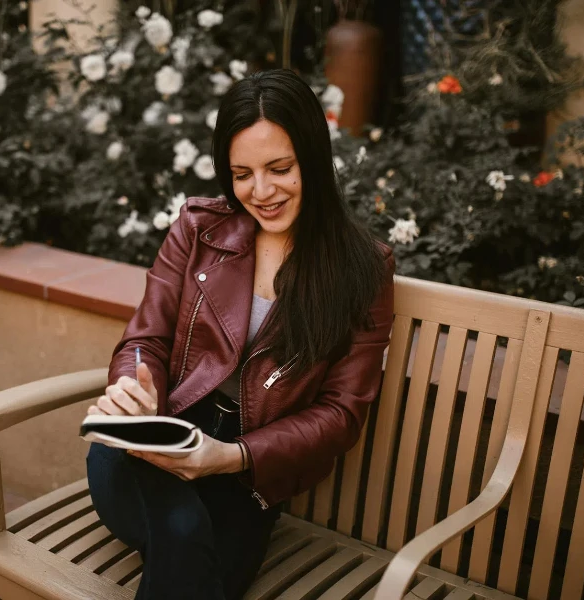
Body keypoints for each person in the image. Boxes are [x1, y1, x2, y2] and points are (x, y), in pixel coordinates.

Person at [85, 68, 395, 600]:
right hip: (157, 436)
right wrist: (134, 391)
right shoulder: (198, 228)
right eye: (242, 174)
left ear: (313, 160)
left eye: (280, 168)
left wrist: (230, 457)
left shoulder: (363, 268)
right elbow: (147, 337)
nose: (262, 191)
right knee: (183, 533)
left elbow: (342, 413)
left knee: (196, 562)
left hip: (247, 468)